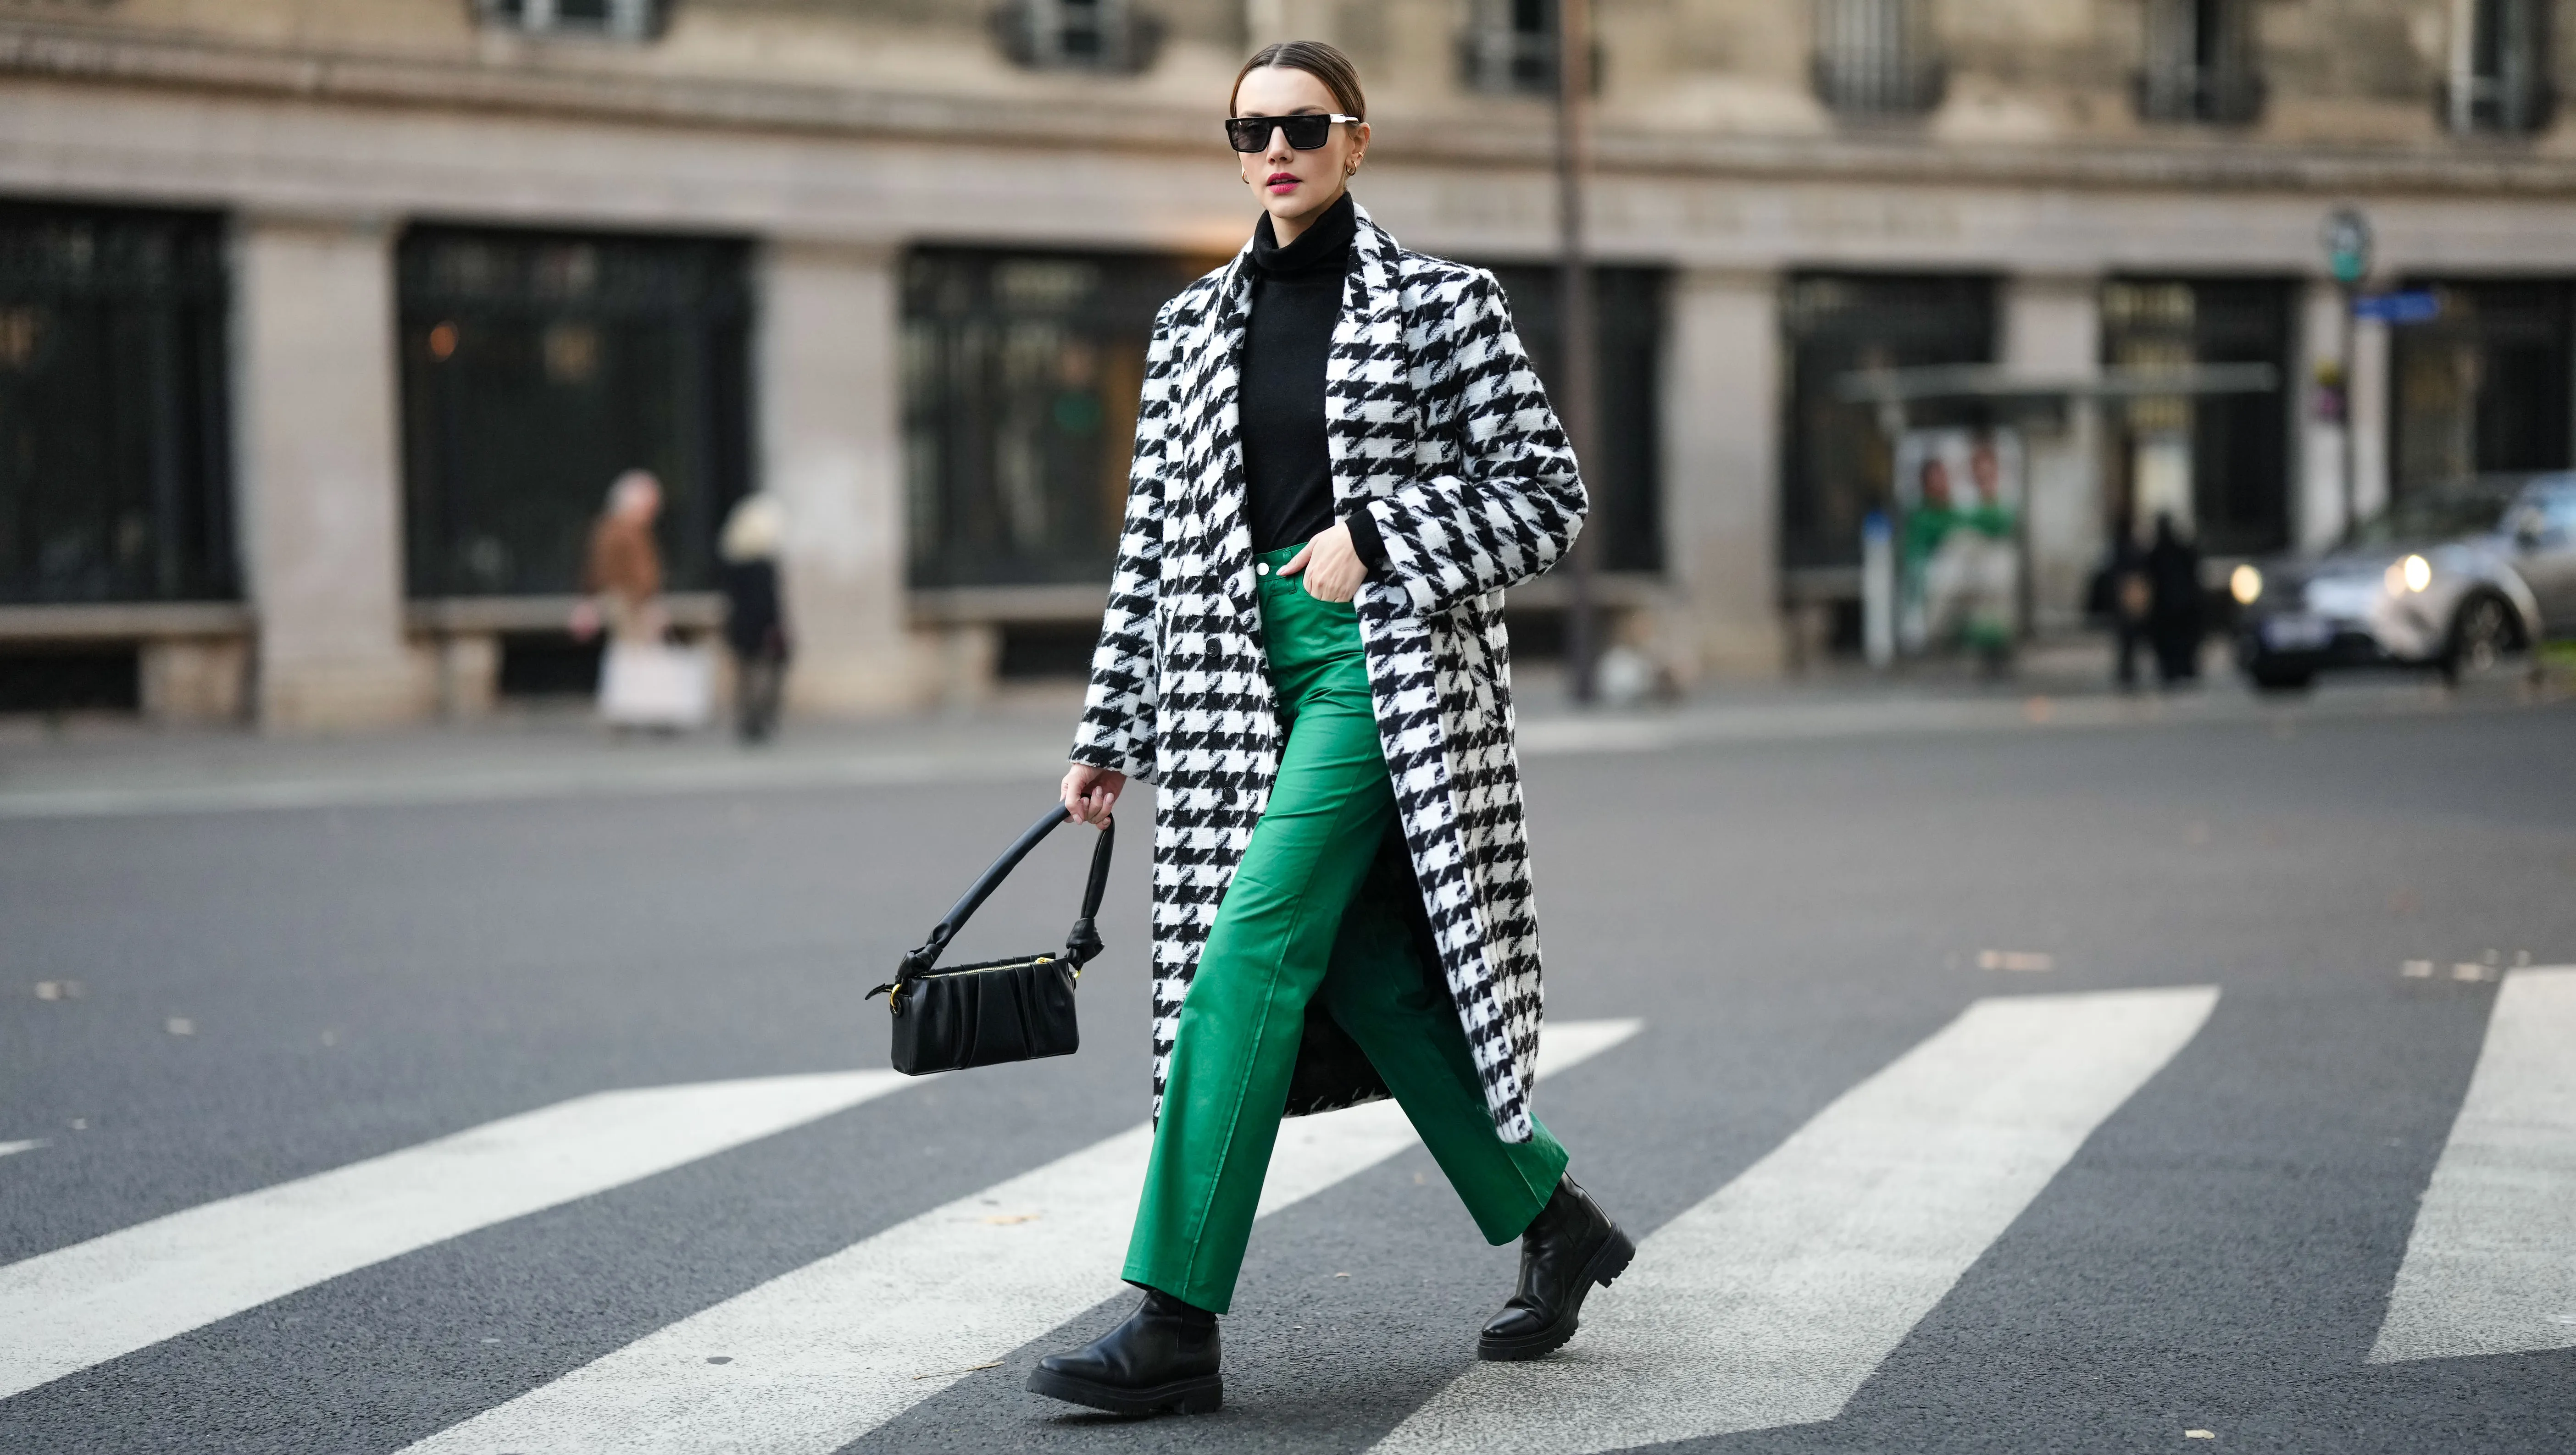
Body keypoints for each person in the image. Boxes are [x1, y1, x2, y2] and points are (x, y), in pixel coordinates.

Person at [1034, 40, 1632, 1419]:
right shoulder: (1191, 327)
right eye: (1250, 129)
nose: (1277, 147)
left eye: (1306, 123)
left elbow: (1550, 497)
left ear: (1357, 140)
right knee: (1357, 963)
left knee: (1248, 944)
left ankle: (1174, 1316)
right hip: (1235, 677)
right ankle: (1556, 1217)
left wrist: (1382, 532)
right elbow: (1153, 552)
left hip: (1385, 666)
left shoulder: (1442, 304)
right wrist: (1109, 725)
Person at [717, 493, 790, 744]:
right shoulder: (763, 565)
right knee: (766, 674)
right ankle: (759, 720)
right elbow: (770, 603)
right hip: (761, 627)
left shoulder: (732, 562)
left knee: (745, 676)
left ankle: (748, 720)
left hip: (739, 626)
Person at [571, 470, 665, 647]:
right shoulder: (619, 532)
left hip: (631, 604)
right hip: (627, 605)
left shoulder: (631, 532)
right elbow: (607, 572)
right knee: (633, 655)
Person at [2146, 512, 2204, 685]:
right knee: (2173, 642)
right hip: (2170, 606)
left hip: (2177, 605)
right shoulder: (2159, 553)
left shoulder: (2172, 552)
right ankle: (2176, 669)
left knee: (2180, 641)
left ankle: (2181, 669)